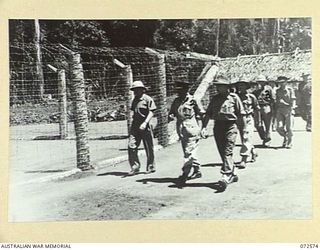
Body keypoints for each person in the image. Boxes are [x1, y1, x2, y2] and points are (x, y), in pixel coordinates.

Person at [201, 75, 246, 192]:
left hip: (231, 126)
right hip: (218, 126)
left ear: (227, 87)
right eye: (217, 86)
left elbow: (241, 114)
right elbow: (207, 114)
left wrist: (243, 129)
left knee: (227, 150)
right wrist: (204, 128)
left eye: (220, 86)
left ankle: (226, 175)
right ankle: (233, 171)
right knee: (222, 151)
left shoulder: (234, 98)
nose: (217, 88)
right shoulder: (215, 99)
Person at [168, 80, 204, 186]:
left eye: (181, 90)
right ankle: (197, 171)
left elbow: (201, 113)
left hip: (192, 129)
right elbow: (172, 113)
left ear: (187, 89)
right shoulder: (176, 101)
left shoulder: (193, 100)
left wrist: (202, 128)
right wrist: (171, 116)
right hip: (181, 130)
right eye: (178, 90)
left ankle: (185, 173)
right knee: (188, 151)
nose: (179, 92)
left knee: (189, 152)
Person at [127, 80, 156, 175]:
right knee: (131, 145)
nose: (135, 92)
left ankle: (150, 166)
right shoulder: (134, 100)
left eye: (137, 90)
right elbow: (132, 111)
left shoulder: (148, 99)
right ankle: (135, 167)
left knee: (148, 147)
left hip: (145, 125)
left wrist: (145, 123)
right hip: (135, 126)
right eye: (134, 90)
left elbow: (152, 112)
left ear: (142, 90)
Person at [235, 77, 260, 169]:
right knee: (245, 138)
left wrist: (258, 121)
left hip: (248, 118)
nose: (240, 87)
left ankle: (243, 159)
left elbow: (257, 109)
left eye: (243, 85)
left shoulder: (251, 97)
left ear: (246, 86)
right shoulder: (235, 97)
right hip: (239, 119)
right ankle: (253, 152)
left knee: (246, 137)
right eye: (239, 85)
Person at [253, 74, 275, 147]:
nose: (260, 83)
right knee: (257, 124)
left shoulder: (268, 89)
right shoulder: (256, 89)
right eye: (259, 81)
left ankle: (268, 140)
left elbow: (273, 98)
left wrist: (272, 108)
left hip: (266, 106)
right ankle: (264, 137)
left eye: (262, 81)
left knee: (267, 124)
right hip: (257, 108)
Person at [275, 76, 296, 148]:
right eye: (280, 83)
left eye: (282, 82)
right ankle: (285, 137)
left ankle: (289, 142)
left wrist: (292, 107)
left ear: (286, 82)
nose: (281, 84)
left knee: (289, 128)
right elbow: (277, 100)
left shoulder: (290, 90)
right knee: (279, 127)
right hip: (280, 110)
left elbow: (293, 100)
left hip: (288, 109)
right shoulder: (277, 91)